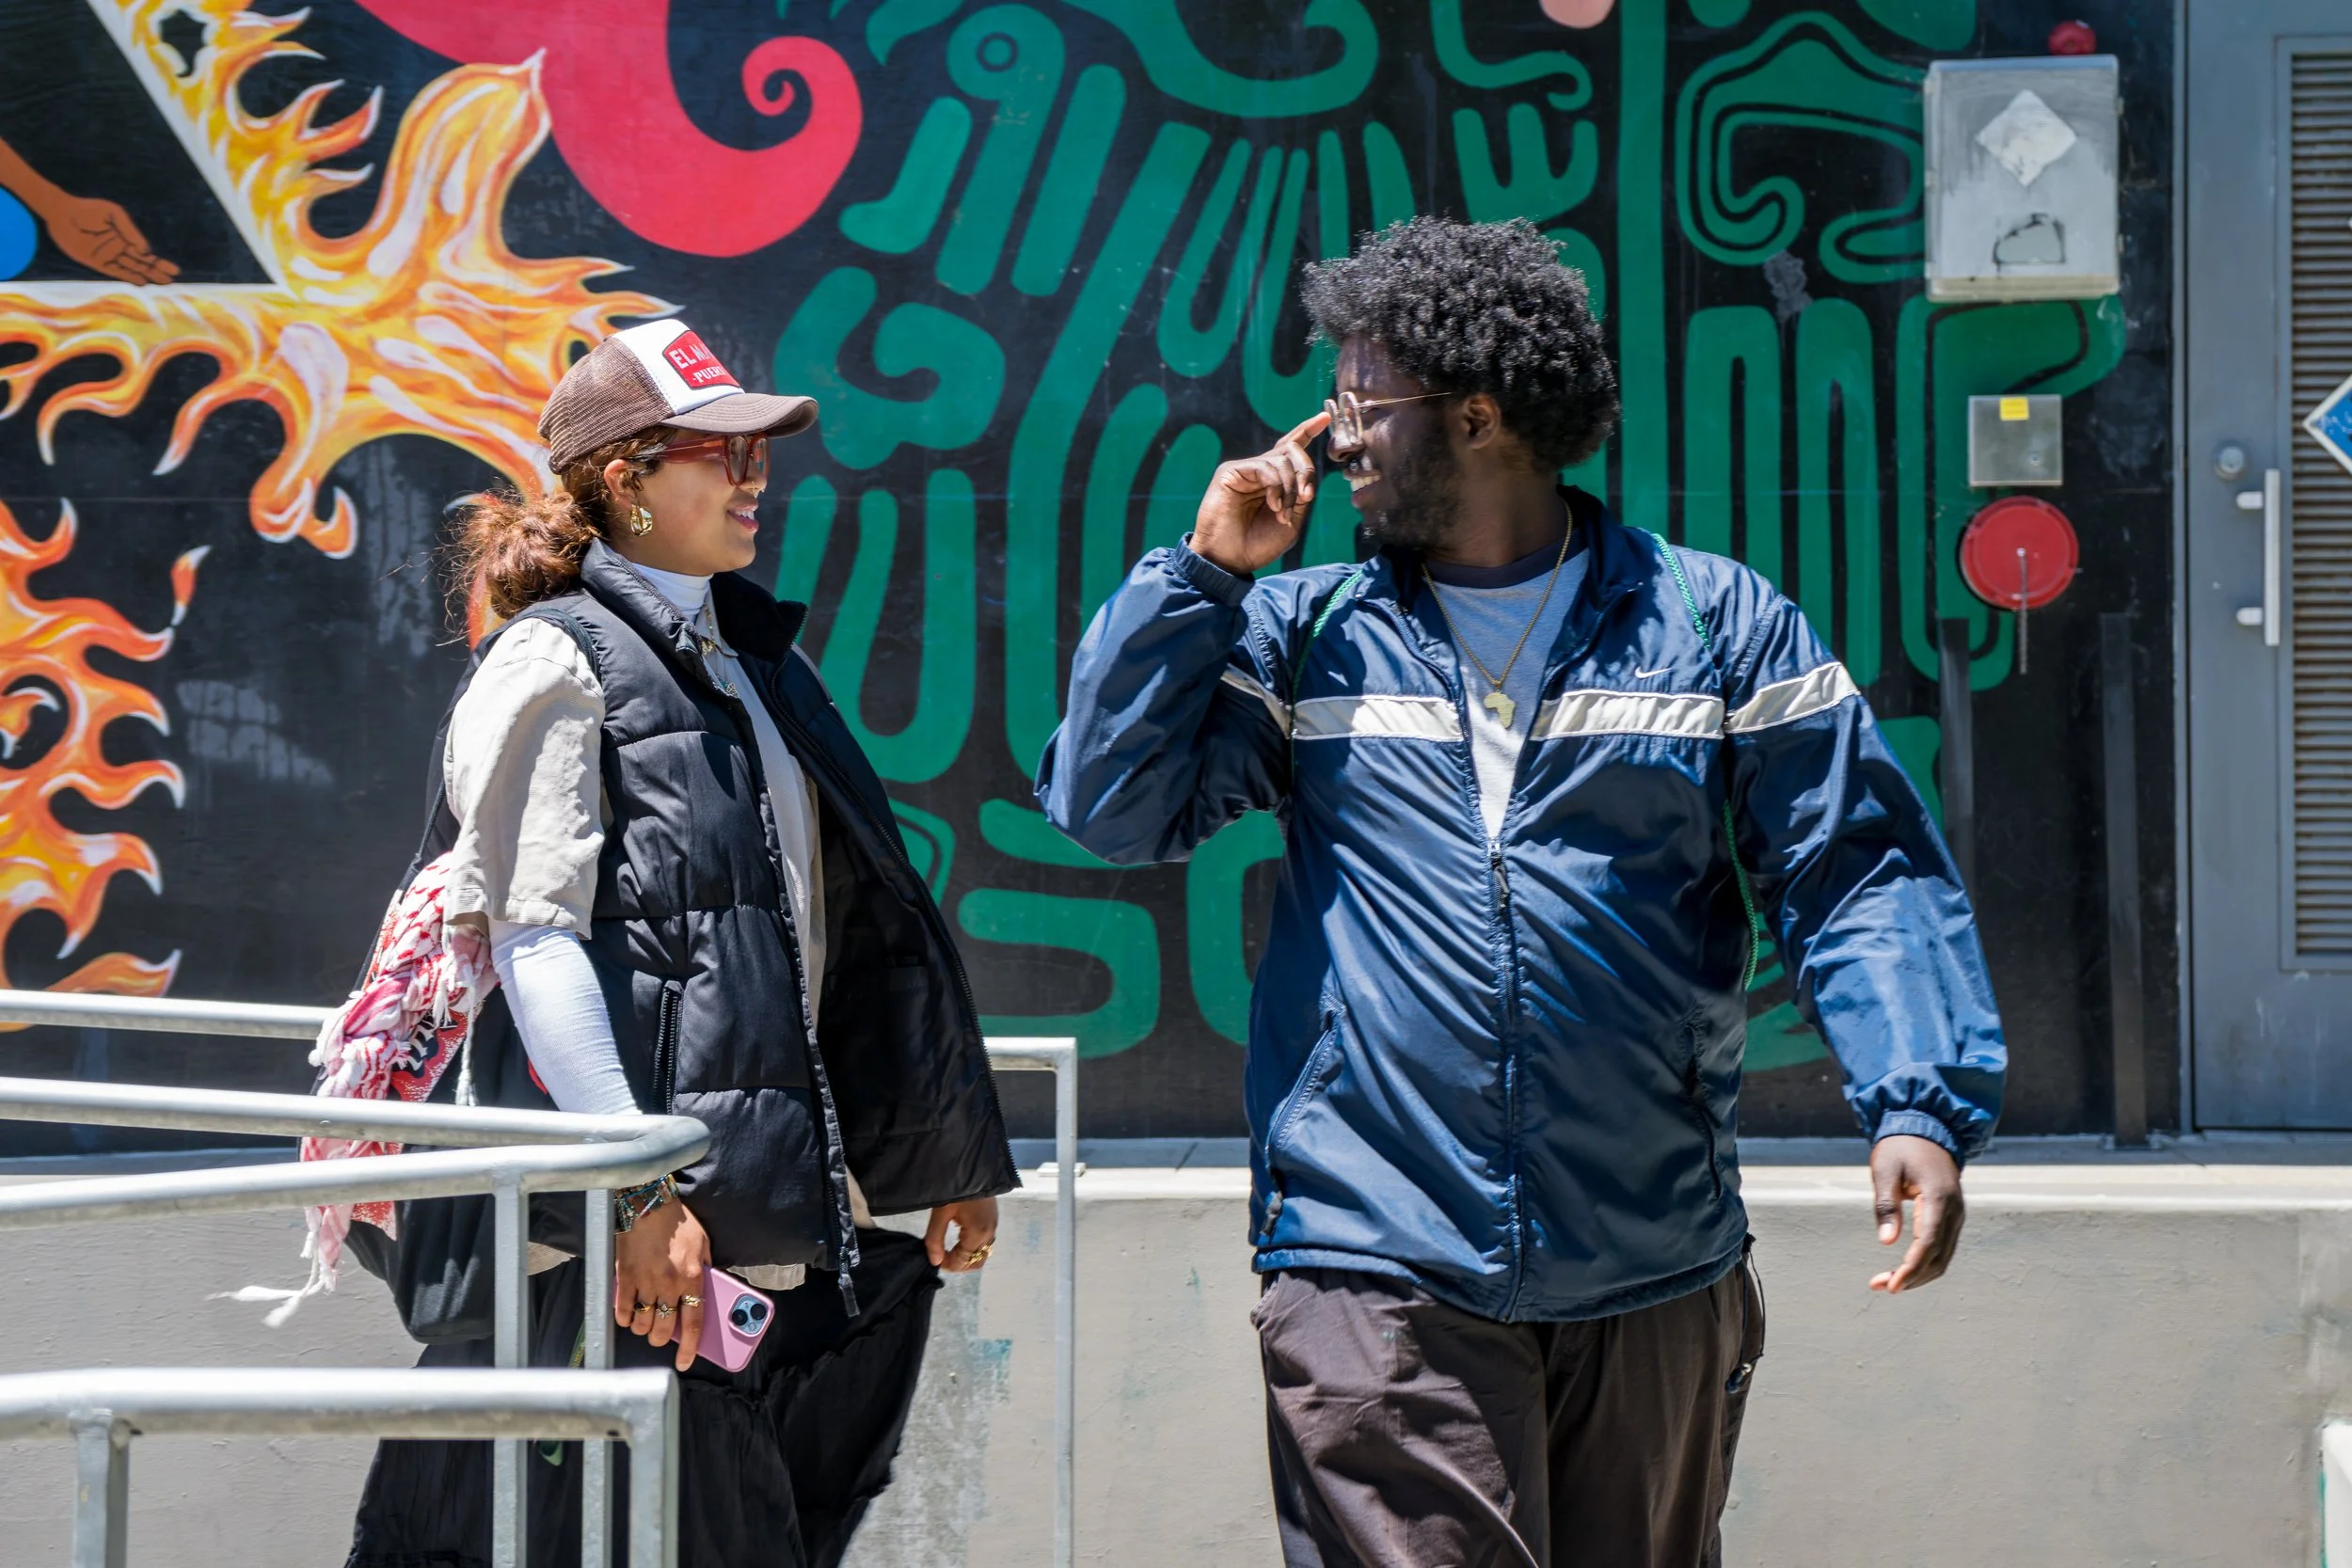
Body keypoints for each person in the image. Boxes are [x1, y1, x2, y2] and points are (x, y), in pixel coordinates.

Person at [1036, 217, 2005, 1568]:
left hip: (1652, 1259)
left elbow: (1857, 866)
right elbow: (1104, 803)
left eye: (1366, 400)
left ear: (1479, 415)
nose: (1335, 434)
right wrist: (1199, 579)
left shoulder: (1716, 621)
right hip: (1375, 1261)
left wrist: (1917, 1095)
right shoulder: (1306, 631)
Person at [346, 319, 1017, 1568]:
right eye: (718, 450)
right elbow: (536, 943)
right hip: (610, 1259)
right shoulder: (553, 657)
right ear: (625, 480)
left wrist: (938, 1153)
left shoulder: (752, 659)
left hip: (741, 1245)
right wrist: (638, 1187)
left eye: (757, 451)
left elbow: (842, 934)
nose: (753, 476)